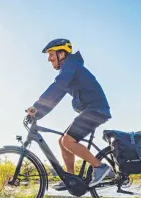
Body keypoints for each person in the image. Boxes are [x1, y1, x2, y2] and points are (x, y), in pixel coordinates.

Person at [26, 38, 113, 190]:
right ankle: (70, 179)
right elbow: (56, 97)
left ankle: (99, 167)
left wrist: (36, 107)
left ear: (62, 53)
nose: (49, 59)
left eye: (51, 54)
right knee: (63, 141)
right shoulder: (69, 69)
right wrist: (38, 113)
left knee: (68, 141)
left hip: (96, 110)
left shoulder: (71, 66)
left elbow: (57, 87)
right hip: (91, 110)